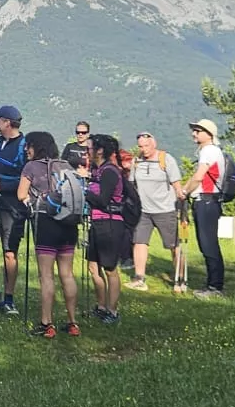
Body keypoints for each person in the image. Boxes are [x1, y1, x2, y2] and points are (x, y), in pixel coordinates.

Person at [19, 131, 81, 338]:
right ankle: (72, 322)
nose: (26, 149)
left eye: (29, 145)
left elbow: (21, 194)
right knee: (67, 274)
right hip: (69, 222)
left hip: (46, 223)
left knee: (46, 275)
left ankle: (47, 323)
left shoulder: (31, 167)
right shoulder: (65, 165)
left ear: (37, 147)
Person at [126, 131, 184, 293]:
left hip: (165, 209)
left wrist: (181, 198)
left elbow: (176, 183)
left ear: (154, 144)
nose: (144, 149)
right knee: (139, 242)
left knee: (173, 245)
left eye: (146, 146)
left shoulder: (166, 159)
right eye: (141, 146)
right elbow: (132, 184)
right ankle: (139, 278)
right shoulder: (136, 162)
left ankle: (179, 277)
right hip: (143, 211)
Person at [83, 135, 132, 324]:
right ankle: (101, 306)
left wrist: (85, 192)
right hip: (97, 222)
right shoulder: (98, 170)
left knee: (110, 268)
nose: (86, 152)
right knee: (93, 266)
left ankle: (113, 311)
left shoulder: (110, 171)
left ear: (100, 150)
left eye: (89, 148)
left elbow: (103, 200)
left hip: (110, 223)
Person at [0, 105, 27, 315]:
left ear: (7, 122)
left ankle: (9, 299)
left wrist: (3, 186)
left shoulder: (23, 146)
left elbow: (27, 178)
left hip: (13, 207)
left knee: (10, 252)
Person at [186, 119, 228, 298]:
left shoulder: (209, 151)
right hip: (208, 201)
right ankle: (213, 284)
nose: (194, 134)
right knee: (207, 243)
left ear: (209, 134)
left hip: (207, 201)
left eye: (198, 131)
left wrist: (184, 191)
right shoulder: (211, 150)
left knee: (208, 244)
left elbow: (198, 177)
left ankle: (215, 286)